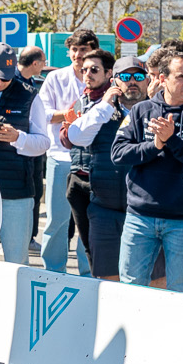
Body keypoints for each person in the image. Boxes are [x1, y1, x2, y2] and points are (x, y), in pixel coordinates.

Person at [110, 50, 183, 293]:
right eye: (182, 76)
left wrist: (173, 140)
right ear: (162, 79)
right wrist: (155, 145)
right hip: (140, 217)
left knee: (182, 293)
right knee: (130, 290)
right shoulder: (142, 110)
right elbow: (118, 154)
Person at [66, 53, 149, 281]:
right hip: (105, 210)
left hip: (147, 213)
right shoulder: (99, 111)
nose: (132, 82)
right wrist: (104, 106)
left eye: (138, 76)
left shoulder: (157, 111)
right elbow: (76, 137)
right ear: (114, 81)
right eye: (125, 77)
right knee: (107, 281)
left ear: (148, 80)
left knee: (152, 282)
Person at [31, 28, 100, 273]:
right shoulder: (55, 78)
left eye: (84, 49)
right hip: (60, 156)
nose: (78, 55)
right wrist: (71, 115)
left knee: (89, 220)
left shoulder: (104, 78)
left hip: (93, 158)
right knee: (57, 220)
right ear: (69, 52)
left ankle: (88, 272)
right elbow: (44, 114)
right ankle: (53, 271)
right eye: (75, 50)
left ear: (94, 50)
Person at [0, 40, 48, 267]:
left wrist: (18, 138)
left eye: (5, 78)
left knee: (17, 260)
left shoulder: (29, 95)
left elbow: (43, 143)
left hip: (17, 190)